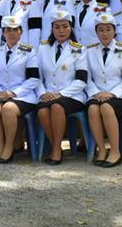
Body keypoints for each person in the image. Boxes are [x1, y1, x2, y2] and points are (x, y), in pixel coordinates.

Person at [84, 13, 122, 167]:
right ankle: (101, 149)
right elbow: (86, 78)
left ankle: (115, 151)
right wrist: (96, 93)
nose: (105, 33)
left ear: (114, 31)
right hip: (97, 94)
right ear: (96, 32)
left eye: (108, 29)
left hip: (121, 96)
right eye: (101, 30)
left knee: (106, 107)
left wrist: (112, 94)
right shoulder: (89, 51)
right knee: (93, 108)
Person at [0, 16, 39, 163]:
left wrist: (13, 93)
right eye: (8, 30)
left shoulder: (29, 52)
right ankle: (1, 144)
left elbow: (34, 79)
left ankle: (9, 147)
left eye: (15, 29)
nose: (12, 33)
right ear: (3, 32)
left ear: (21, 32)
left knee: (8, 109)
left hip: (23, 96)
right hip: (1, 94)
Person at [35, 10, 87, 165]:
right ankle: (56, 146)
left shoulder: (79, 49)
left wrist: (60, 94)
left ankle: (56, 151)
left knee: (57, 107)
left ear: (71, 28)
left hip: (72, 95)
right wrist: (43, 93)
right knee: (43, 110)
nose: (61, 30)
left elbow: (81, 81)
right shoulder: (43, 48)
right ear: (52, 29)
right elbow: (36, 77)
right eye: (57, 27)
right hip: (48, 94)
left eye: (65, 26)